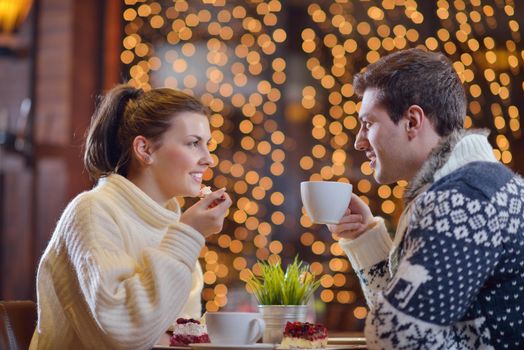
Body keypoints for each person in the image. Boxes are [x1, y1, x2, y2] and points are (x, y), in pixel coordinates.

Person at [330, 48, 524, 349]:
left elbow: (395, 336)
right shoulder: (474, 186)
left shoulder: (461, 199)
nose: (358, 141)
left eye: (368, 124)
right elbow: (407, 320)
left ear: (412, 121)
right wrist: (365, 238)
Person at [30, 85, 232, 350]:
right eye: (193, 143)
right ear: (144, 149)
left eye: (207, 145)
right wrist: (188, 235)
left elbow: (182, 336)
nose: (208, 159)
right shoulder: (92, 211)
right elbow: (127, 333)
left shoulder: (173, 225)